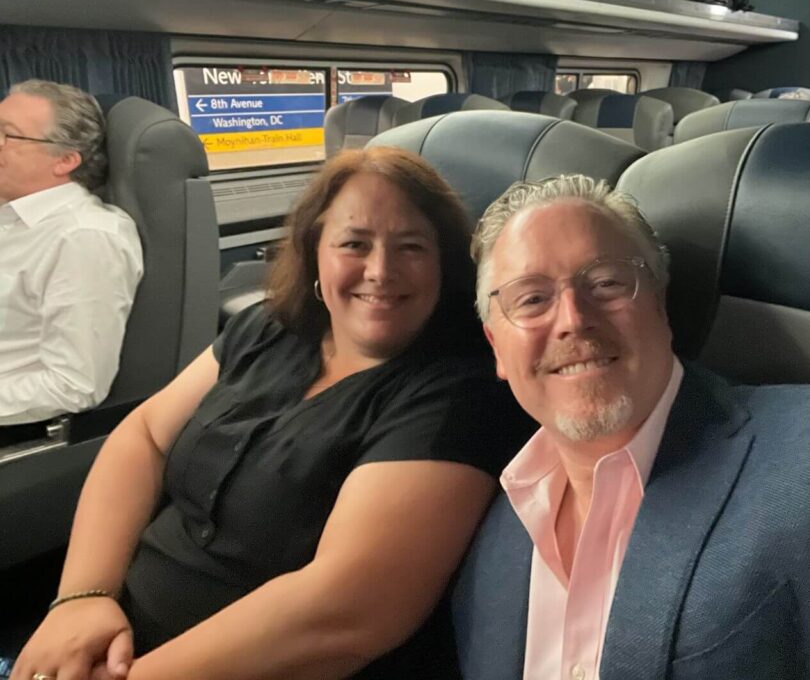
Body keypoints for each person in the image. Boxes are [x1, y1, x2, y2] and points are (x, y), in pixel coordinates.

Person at [452, 174, 810, 680]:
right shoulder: (490, 524)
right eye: (532, 299)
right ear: (497, 346)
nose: (574, 320)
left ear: (660, 306)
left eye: (606, 284)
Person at [13, 147, 532, 680]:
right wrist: (82, 598)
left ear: (445, 265)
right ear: (314, 252)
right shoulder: (267, 328)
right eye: (354, 243)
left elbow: (345, 612)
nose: (380, 270)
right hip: (109, 633)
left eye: (412, 247)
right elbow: (144, 436)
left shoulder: (458, 393)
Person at [0, 79, 143, 427]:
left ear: (65, 160)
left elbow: (73, 385)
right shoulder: (11, 215)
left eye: (7, 135)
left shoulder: (83, 238)